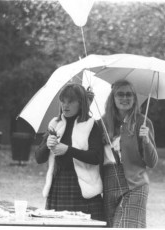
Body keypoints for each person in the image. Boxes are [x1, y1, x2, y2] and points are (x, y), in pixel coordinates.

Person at [35, 83, 104, 221]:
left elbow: (97, 157)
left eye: (70, 102)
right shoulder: (55, 123)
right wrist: (47, 145)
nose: (65, 105)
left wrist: (68, 150)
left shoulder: (91, 125)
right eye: (63, 101)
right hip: (58, 184)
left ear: (81, 103)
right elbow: (38, 158)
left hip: (82, 189)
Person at [100, 79, 158, 228]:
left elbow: (152, 162)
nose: (124, 98)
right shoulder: (102, 123)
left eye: (129, 95)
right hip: (109, 181)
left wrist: (146, 141)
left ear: (134, 98)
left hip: (135, 183)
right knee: (112, 225)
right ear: (113, 97)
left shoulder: (142, 122)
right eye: (120, 94)